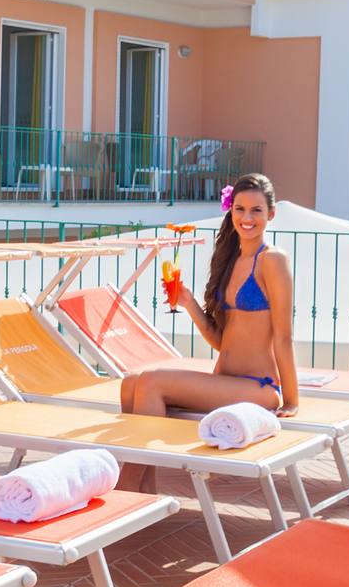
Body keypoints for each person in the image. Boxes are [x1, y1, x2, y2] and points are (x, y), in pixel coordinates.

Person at [121, 173, 300, 421]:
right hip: (224, 382)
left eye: (256, 210)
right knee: (130, 383)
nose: (247, 218)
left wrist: (291, 401)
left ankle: (144, 448)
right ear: (231, 210)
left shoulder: (272, 259)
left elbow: (283, 337)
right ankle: (147, 447)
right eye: (240, 209)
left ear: (271, 213)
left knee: (151, 382)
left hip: (258, 385)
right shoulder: (231, 261)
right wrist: (189, 303)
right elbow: (221, 343)